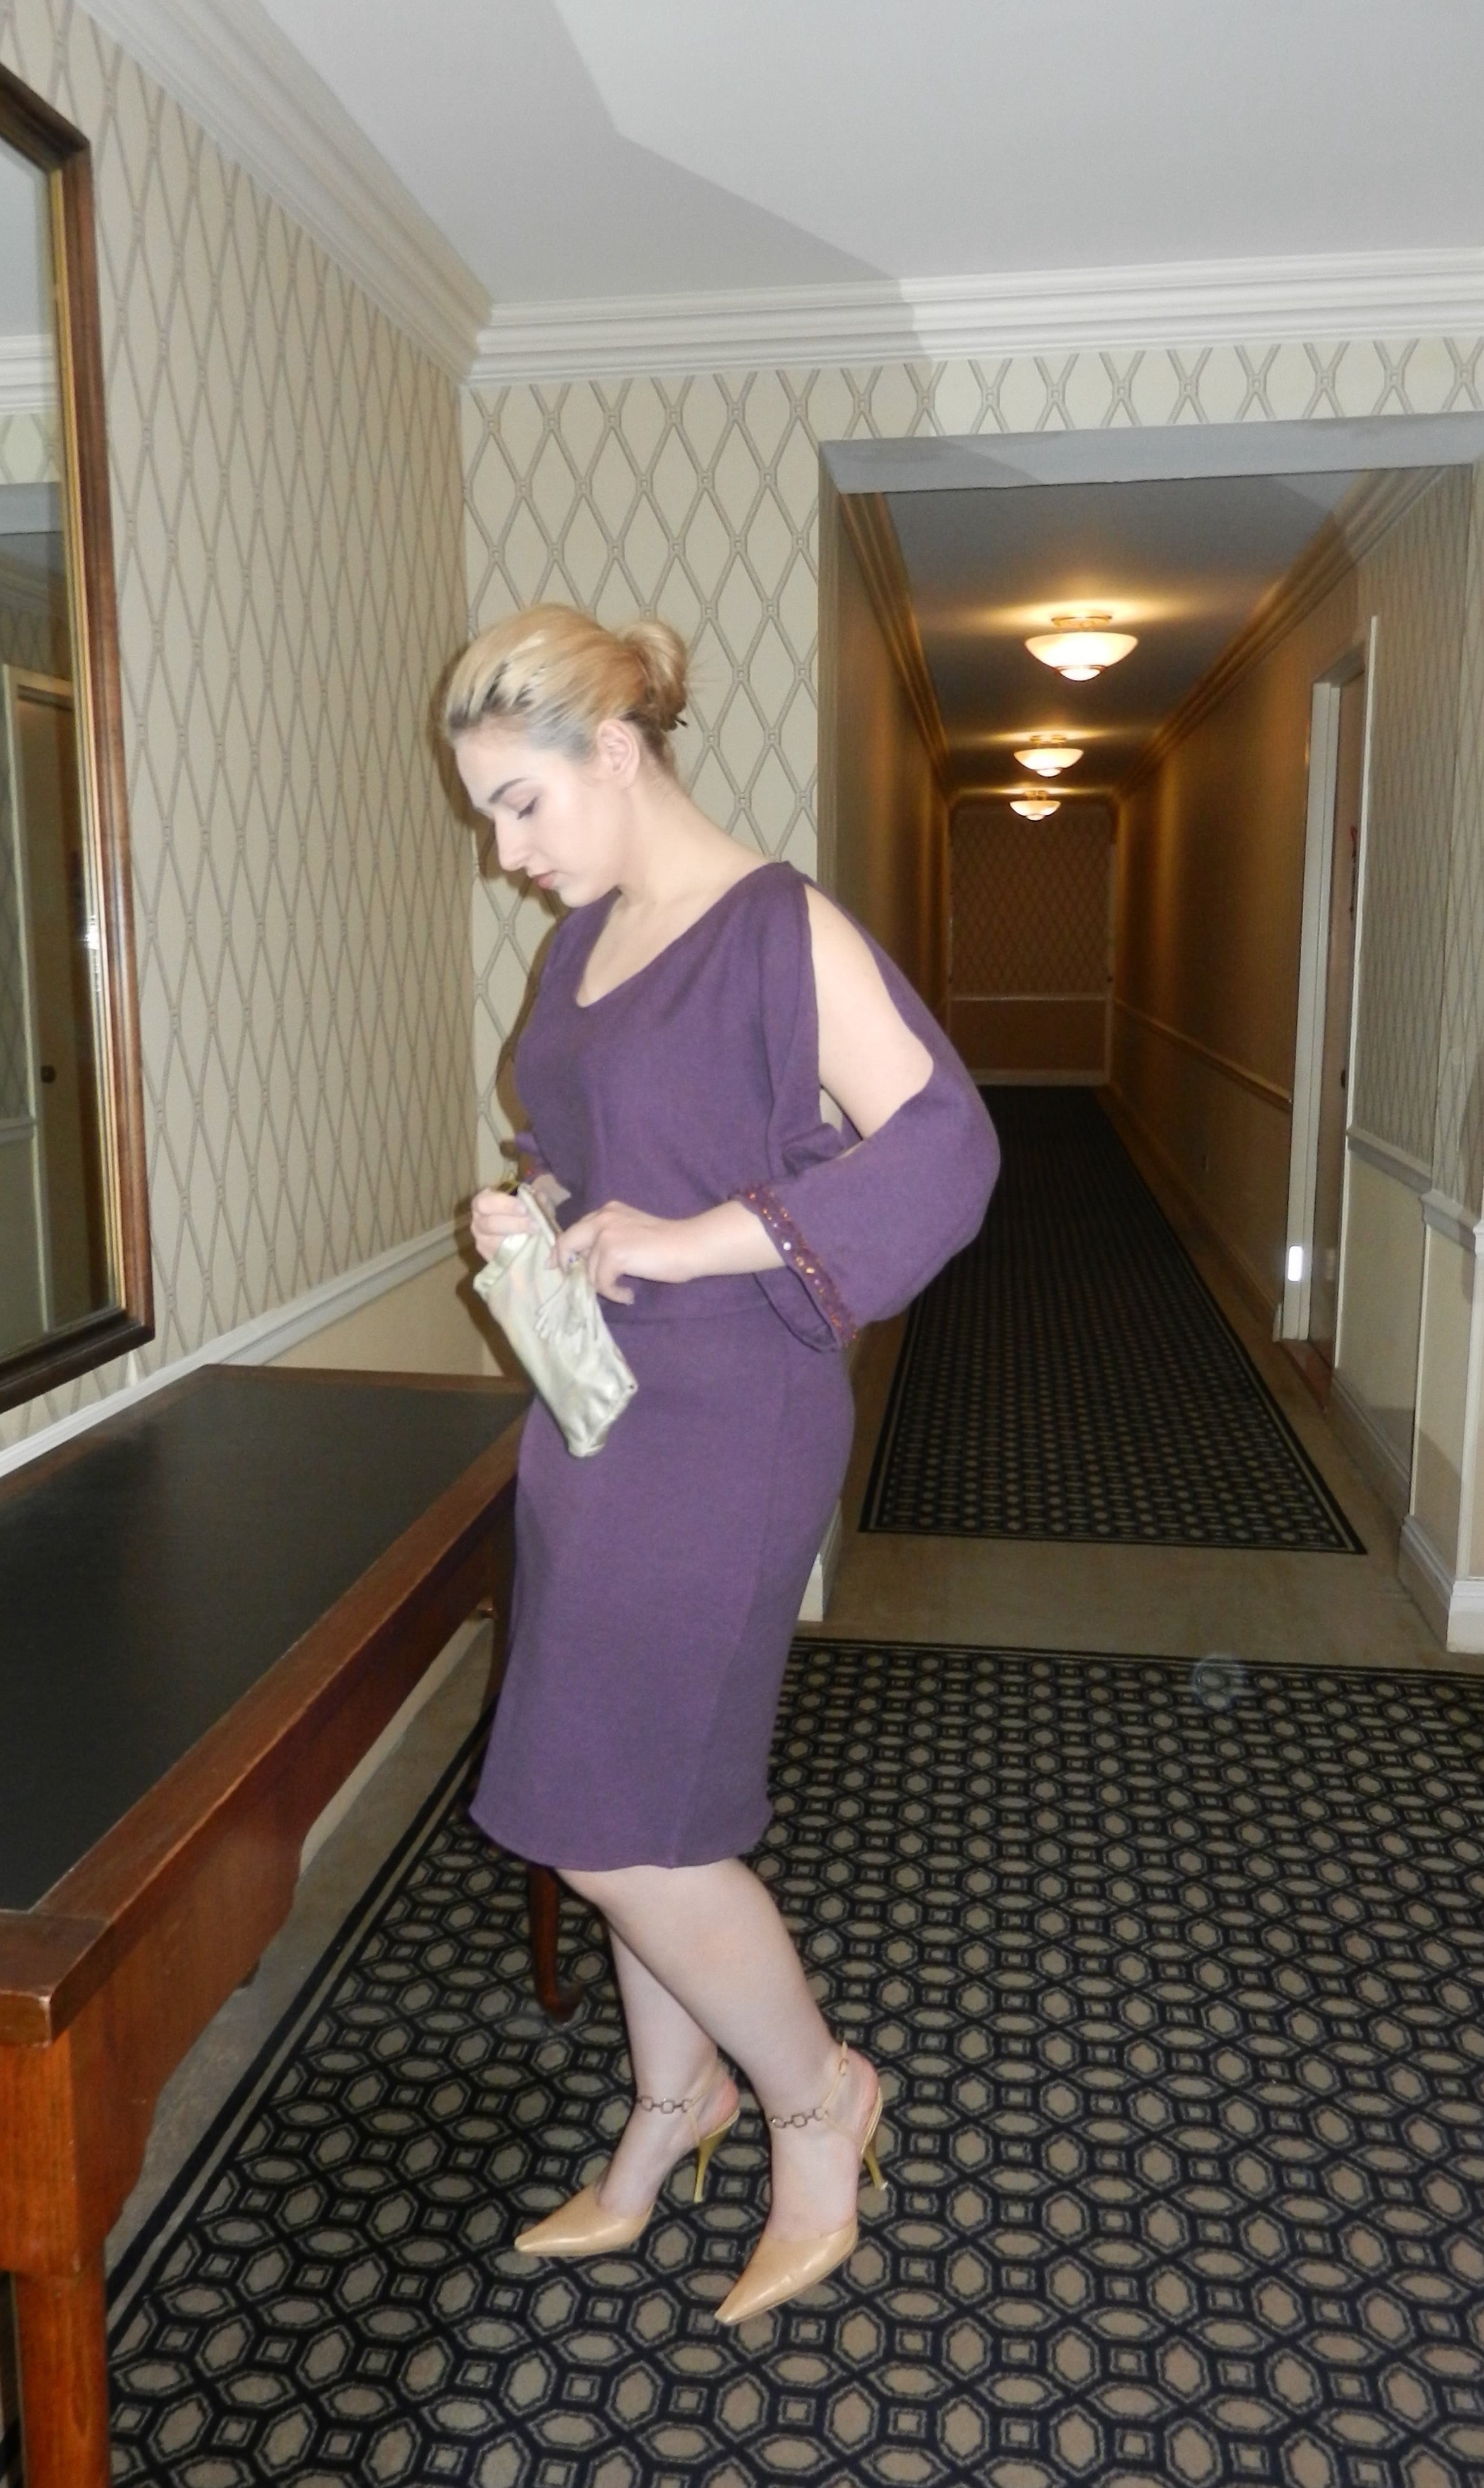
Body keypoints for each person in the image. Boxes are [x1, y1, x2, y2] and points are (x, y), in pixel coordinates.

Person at [445, 604, 999, 2324]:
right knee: (637, 1804)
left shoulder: (778, 927)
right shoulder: (589, 940)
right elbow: (589, 1150)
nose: (506, 852)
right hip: (599, 1410)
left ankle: (818, 2099)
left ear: (615, 754)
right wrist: (529, 1211)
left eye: (520, 807)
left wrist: (685, 1245)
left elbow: (949, 1149)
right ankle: (666, 2112)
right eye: (487, 820)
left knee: (620, 1831)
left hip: (730, 1420)